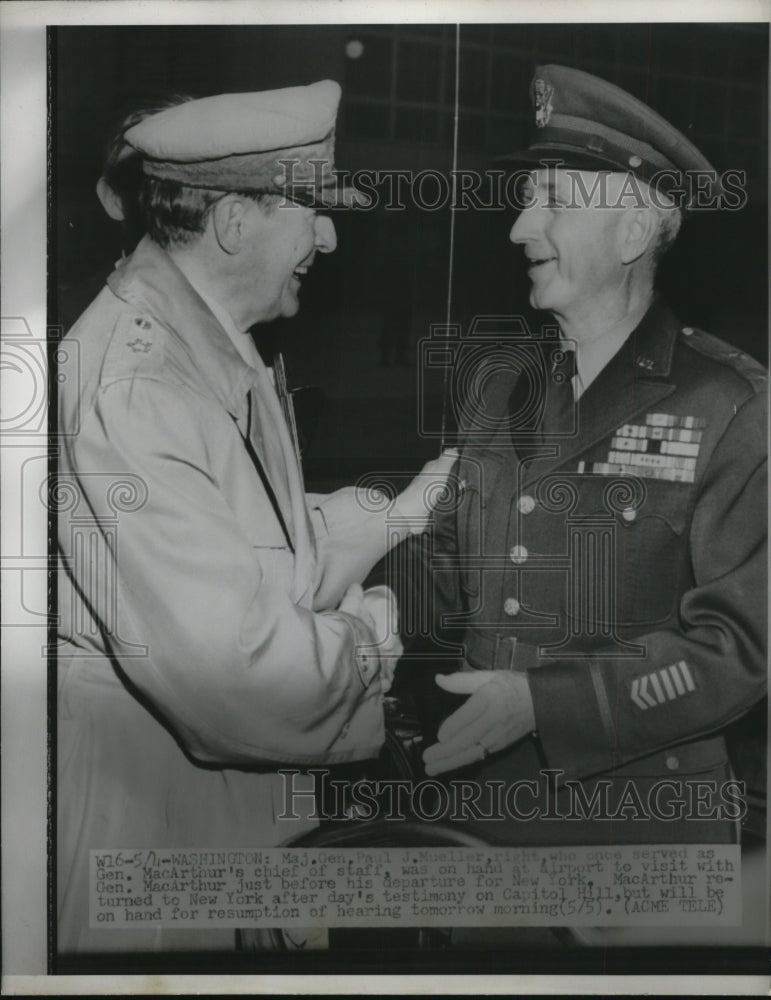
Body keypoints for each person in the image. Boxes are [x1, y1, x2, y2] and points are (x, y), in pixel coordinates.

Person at [55, 79, 455, 954]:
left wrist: (397, 513)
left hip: (206, 799)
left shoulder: (210, 341)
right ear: (235, 222)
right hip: (156, 812)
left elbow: (253, 545)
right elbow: (237, 679)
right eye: (309, 209)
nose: (329, 234)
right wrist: (375, 635)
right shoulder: (140, 383)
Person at [392, 65, 767, 851]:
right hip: (477, 807)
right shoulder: (497, 385)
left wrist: (548, 704)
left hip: (635, 824)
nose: (519, 229)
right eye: (527, 201)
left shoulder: (730, 405)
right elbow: (446, 561)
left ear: (632, 232)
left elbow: (742, 646)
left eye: (552, 202)